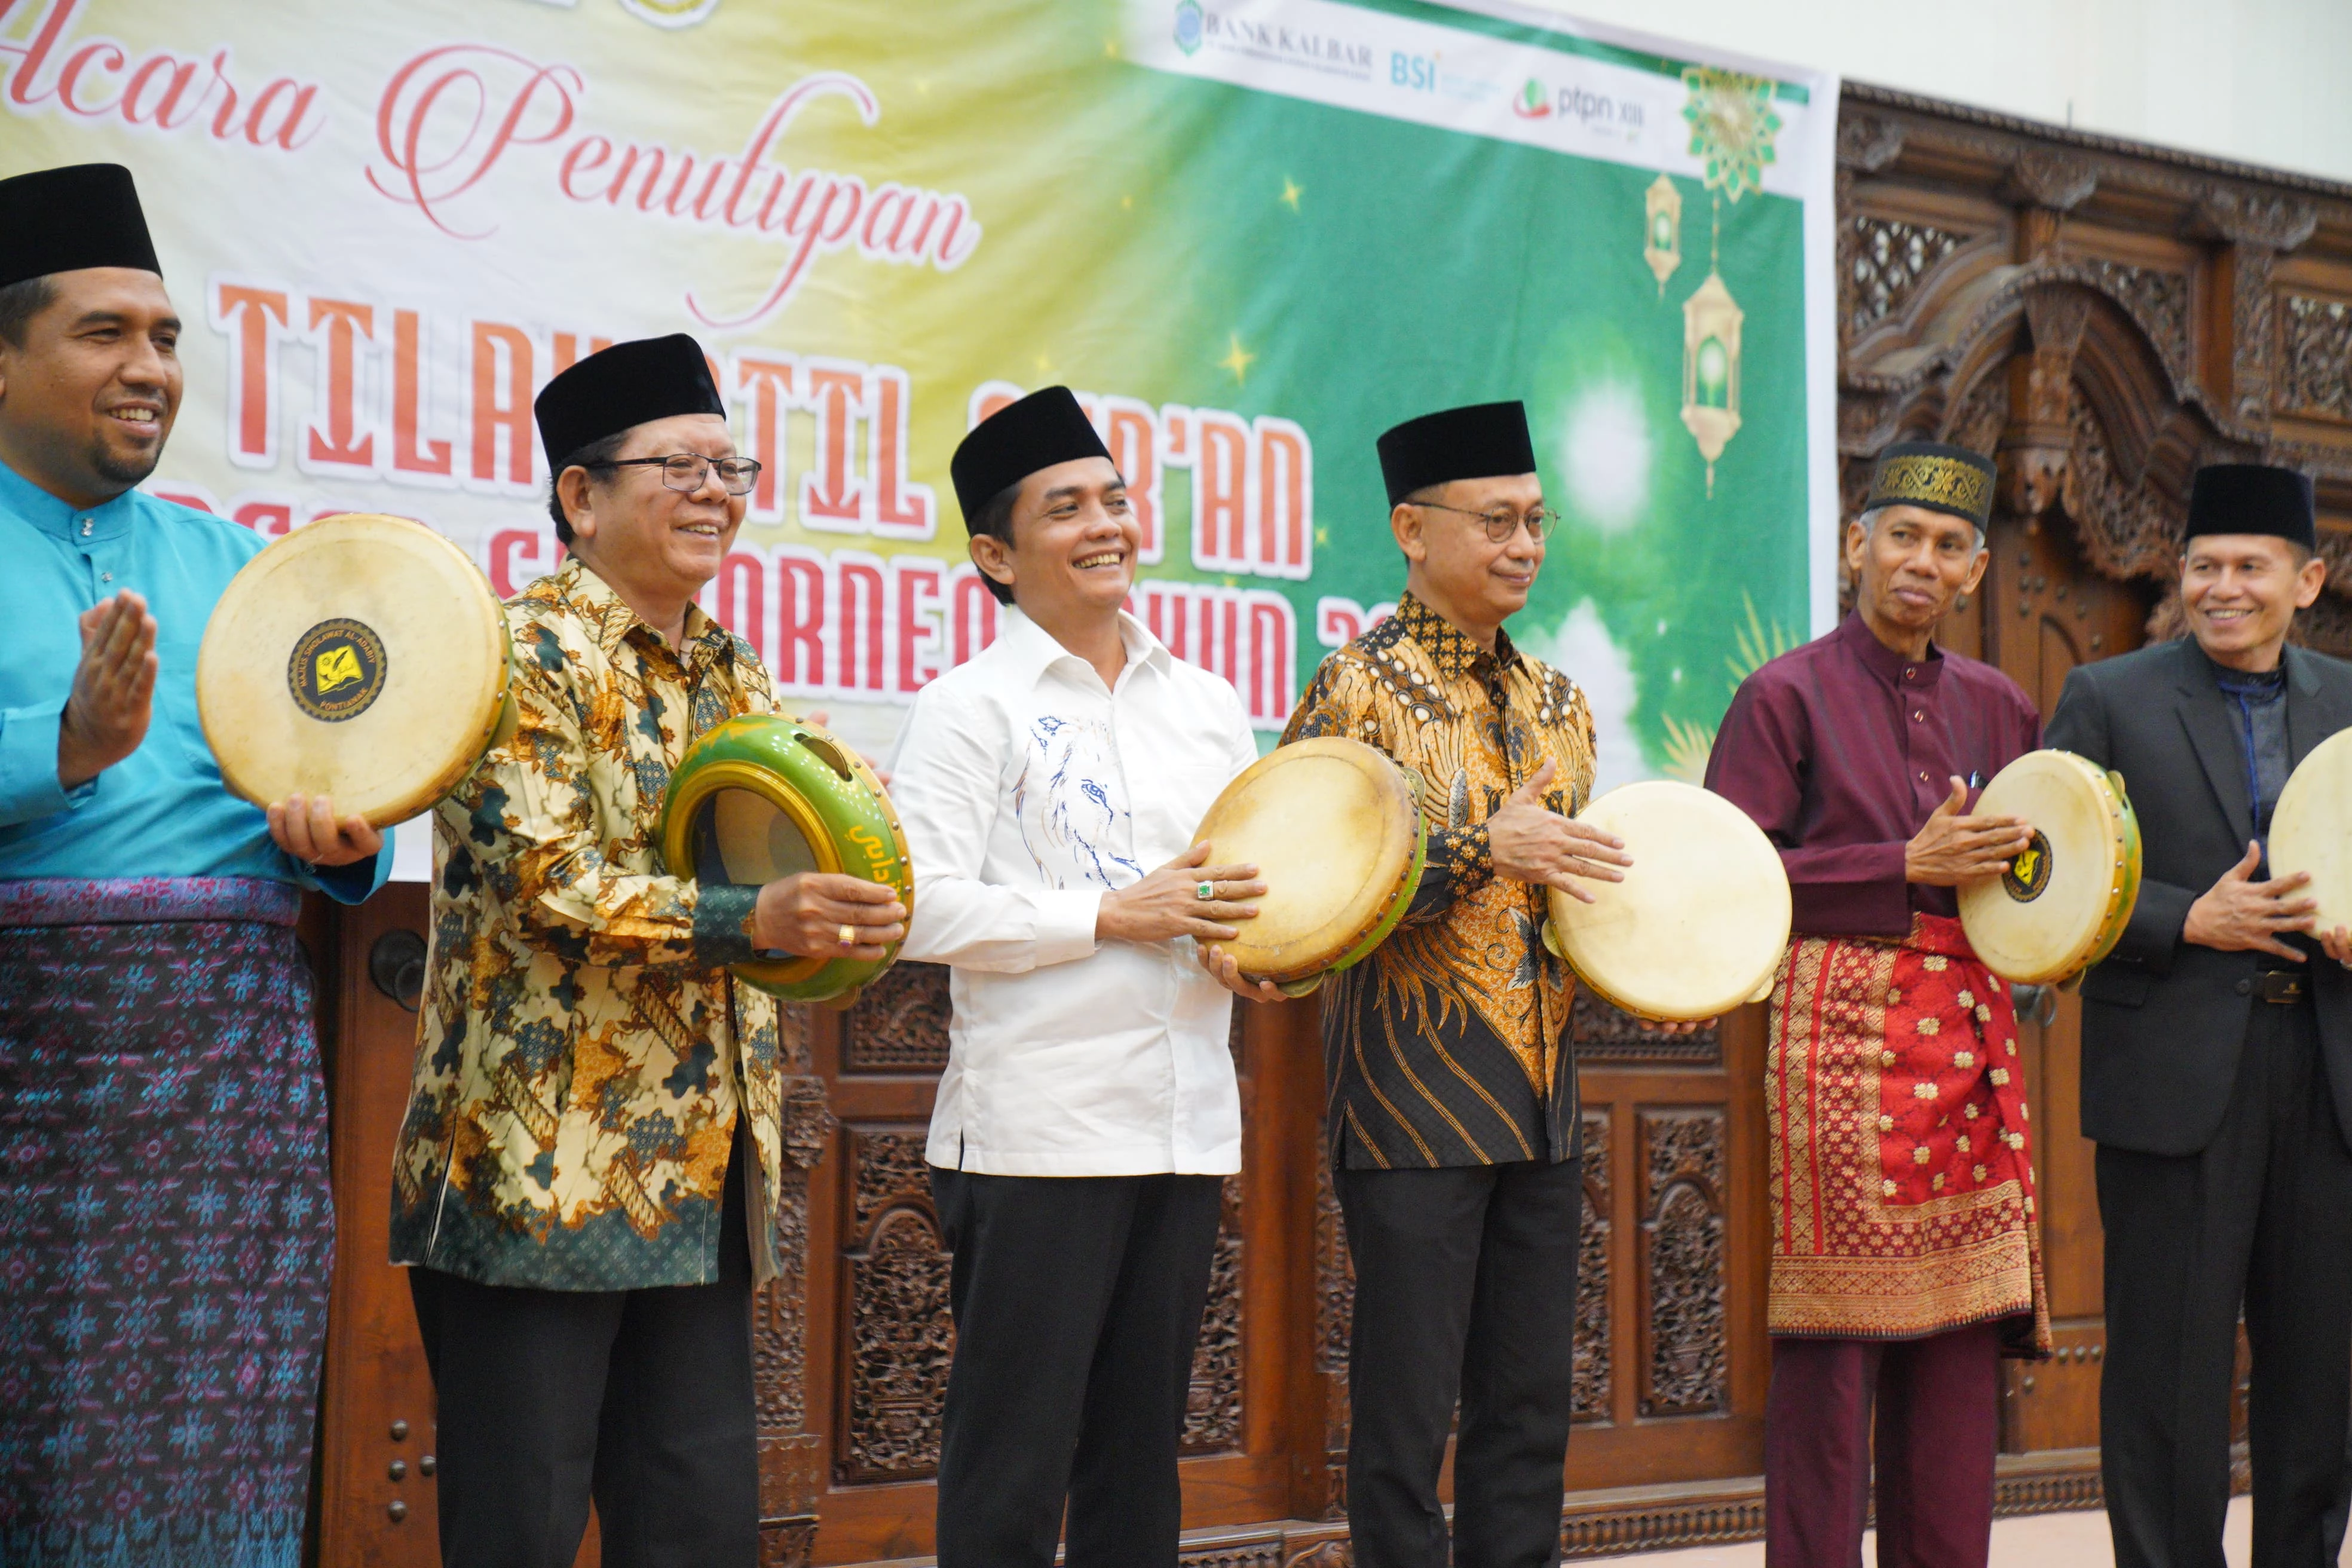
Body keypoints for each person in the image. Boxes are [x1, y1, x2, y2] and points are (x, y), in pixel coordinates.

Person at [388, 334, 905, 1568]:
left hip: (701, 1173)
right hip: (535, 1165)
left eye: (732, 468)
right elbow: (547, 886)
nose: (715, 492)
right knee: (519, 1527)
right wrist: (752, 920)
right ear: (582, 495)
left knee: (694, 1528)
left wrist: (847, 896)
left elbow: (773, 857)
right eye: (680, 466)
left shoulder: (733, 667)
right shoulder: (511, 653)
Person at [0, 163, 390, 1567]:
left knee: (223, 1434)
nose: (149, 368)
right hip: (32, 1047)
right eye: (105, 333)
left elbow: (340, 771)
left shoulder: (246, 571)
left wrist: (344, 837)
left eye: (164, 338)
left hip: (231, 1064)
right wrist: (64, 745)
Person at [886, 385, 1264, 1568]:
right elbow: (917, 906)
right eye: (1066, 509)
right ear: (995, 555)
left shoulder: (1206, 704)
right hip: (1038, 1135)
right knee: (1012, 1468)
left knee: (1138, 1468)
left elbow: (1236, 888)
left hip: (1185, 1124)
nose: (1106, 526)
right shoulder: (967, 707)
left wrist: (1258, 952)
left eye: (1114, 499)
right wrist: (1108, 913)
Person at [1270, 401, 1624, 1568]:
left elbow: (1564, 891)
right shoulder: (1354, 691)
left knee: (1529, 1410)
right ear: (1412, 531)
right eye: (1497, 522)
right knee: (1406, 1416)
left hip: (1545, 1105)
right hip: (1412, 1105)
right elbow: (1305, 888)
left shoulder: (1561, 704)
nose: (1524, 545)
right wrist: (1480, 848)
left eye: (1538, 521)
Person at [1706, 440, 2048, 1568]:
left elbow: (2042, 872)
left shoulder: (2001, 706)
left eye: (1948, 546)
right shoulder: (1783, 694)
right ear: (1857, 546)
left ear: (1976, 571)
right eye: (1902, 536)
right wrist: (1902, 862)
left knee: (1957, 1350)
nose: (1921, 562)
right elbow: (1730, 875)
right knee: (1833, 1351)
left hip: (1970, 1042)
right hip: (1838, 1043)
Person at [2044, 463, 2352, 1568]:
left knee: (2323, 1381)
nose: (2223, 588)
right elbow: (2044, 876)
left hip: (2329, 1074)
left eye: (2250, 567)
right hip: (2174, 1077)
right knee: (2168, 1382)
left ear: (2306, 580)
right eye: (2204, 566)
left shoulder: (2351, 704)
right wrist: (2187, 917)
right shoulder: (2108, 697)